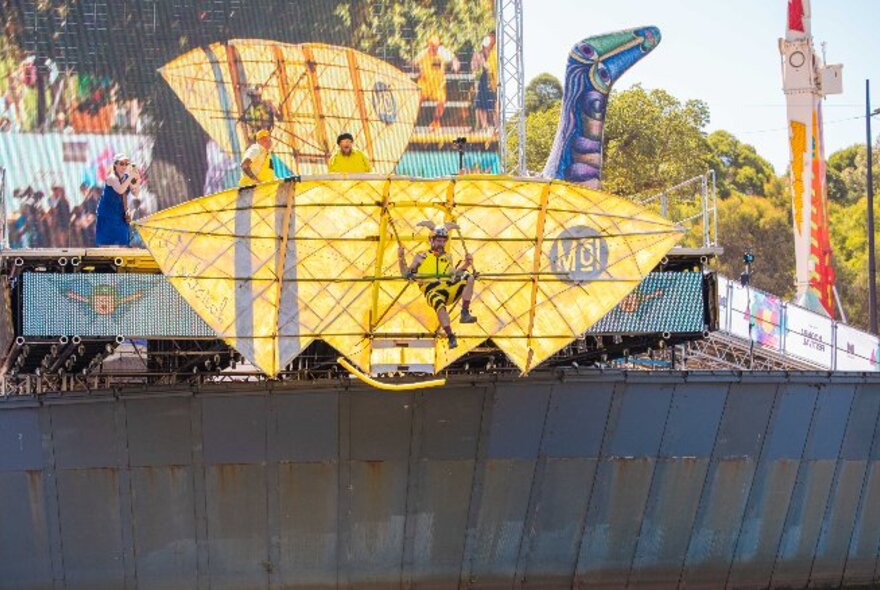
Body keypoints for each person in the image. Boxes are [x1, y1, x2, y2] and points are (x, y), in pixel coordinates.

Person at [397, 222, 477, 349]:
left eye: (443, 241)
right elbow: (407, 275)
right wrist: (401, 257)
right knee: (439, 303)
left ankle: (465, 313)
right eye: (438, 241)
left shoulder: (447, 256)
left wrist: (466, 265)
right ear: (431, 240)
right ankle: (450, 335)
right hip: (431, 289)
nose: (441, 244)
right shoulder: (422, 256)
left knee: (469, 277)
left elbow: (453, 274)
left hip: (447, 287)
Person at [414, 36, 460, 131]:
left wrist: (455, 66)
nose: (434, 48)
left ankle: (435, 122)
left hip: (438, 85)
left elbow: (454, 59)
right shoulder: (423, 53)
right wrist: (418, 68)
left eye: (436, 46)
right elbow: (413, 62)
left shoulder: (443, 52)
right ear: (429, 45)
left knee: (441, 101)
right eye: (432, 46)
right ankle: (411, 122)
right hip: (425, 84)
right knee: (416, 100)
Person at [96, 153, 140, 246]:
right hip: (107, 213)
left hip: (120, 212)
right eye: (121, 163)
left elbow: (135, 193)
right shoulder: (112, 178)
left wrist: (137, 180)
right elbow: (120, 190)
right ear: (115, 165)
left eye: (126, 163)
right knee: (106, 244)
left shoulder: (127, 177)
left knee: (123, 242)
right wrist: (131, 177)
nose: (124, 166)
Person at [471, 32, 497, 131]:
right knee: (480, 104)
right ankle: (484, 126)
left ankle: (496, 126)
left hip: (493, 80)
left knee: (494, 104)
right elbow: (473, 68)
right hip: (483, 80)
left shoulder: (495, 52)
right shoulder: (478, 54)